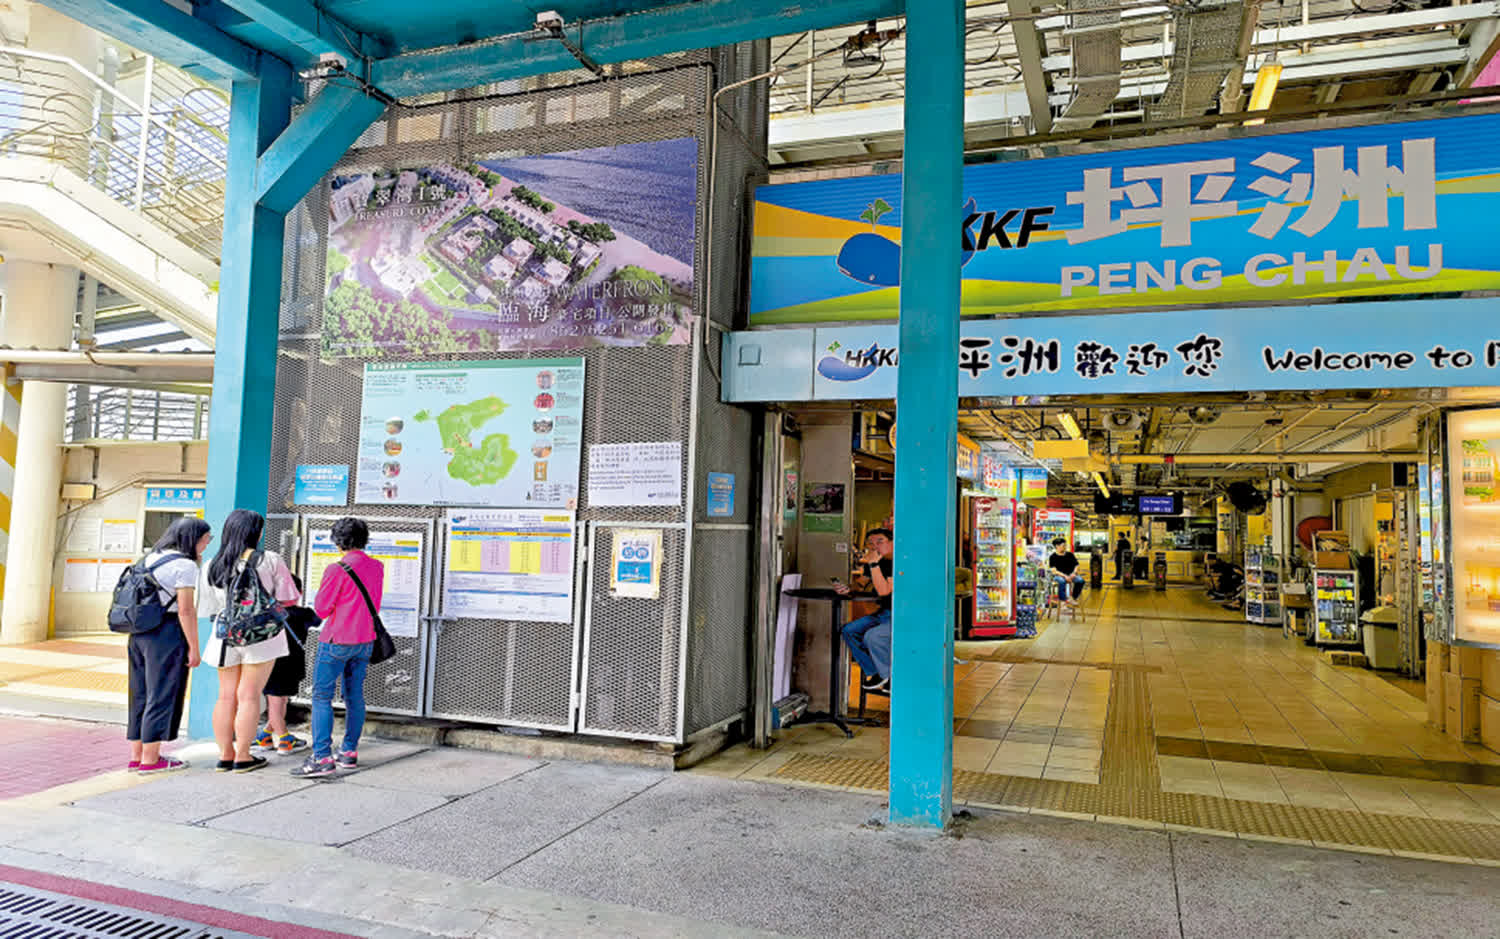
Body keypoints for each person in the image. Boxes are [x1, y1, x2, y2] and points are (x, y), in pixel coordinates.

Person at [200, 509, 301, 773]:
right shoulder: (269, 560)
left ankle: (225, 756)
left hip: (225, 636)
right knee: (249, 696)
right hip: (261, 636)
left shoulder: (213, 564)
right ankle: (243, 756)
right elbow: (290, 599)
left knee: (225, 697)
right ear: (257, 532)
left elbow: (208, 608)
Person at [293, 517, 384, 778]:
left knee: (322, 696)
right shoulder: (377, 567)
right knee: (354, 696)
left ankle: (322, 757)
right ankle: (349, 752)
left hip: (336, 641)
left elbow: (322, 609)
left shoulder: (336, 569)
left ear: (338, 542)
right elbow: (375, 604)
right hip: (365, 640)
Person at [126, 516, 211, 774]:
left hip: (139, 633)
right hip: (166, 633)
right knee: (161, 693)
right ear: (193, 539)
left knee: (140, 693)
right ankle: (151, 760)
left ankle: (137, 756)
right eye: (206, 539)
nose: (207, 544)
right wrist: (194, 647)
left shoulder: (150, 558)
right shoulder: (185, 565)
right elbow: (186, 610)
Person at [251, 573, 317, 755]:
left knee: (276, 704)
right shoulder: (305, 614)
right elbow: (319, 618)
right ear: (300, 592)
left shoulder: (268, 615)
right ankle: (284, 740)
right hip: (293, 667)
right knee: (280, 703)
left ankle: (267, 736)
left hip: (272, 665)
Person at [836, 528, 894, 695]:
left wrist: (874, 563)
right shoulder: (876, 563)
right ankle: (876, 672)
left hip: (900, 616)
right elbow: (861, 583)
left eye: (880, 541)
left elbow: (884, 590)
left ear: (892, 542)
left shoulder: (899, 562)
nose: (875, 546)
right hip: (883, 613)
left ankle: (889, 676)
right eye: (871, 543)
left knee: (872, 637)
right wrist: (848, 588)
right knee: (849, 630)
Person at [1047, 538, 1084, 604]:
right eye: (1063, 545)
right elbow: (1054, 571)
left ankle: (1073, 598)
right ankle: (1063, 601)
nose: (1065, 547)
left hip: (1071, 575)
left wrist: (1074, 573)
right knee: (1062, 581)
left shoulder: (1070, 555)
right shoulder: (1052, 557)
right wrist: (1065, 576)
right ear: (1057, 546)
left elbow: (1076, 565)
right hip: (1059, 576)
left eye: (1065, 545)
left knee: (1080, 581)